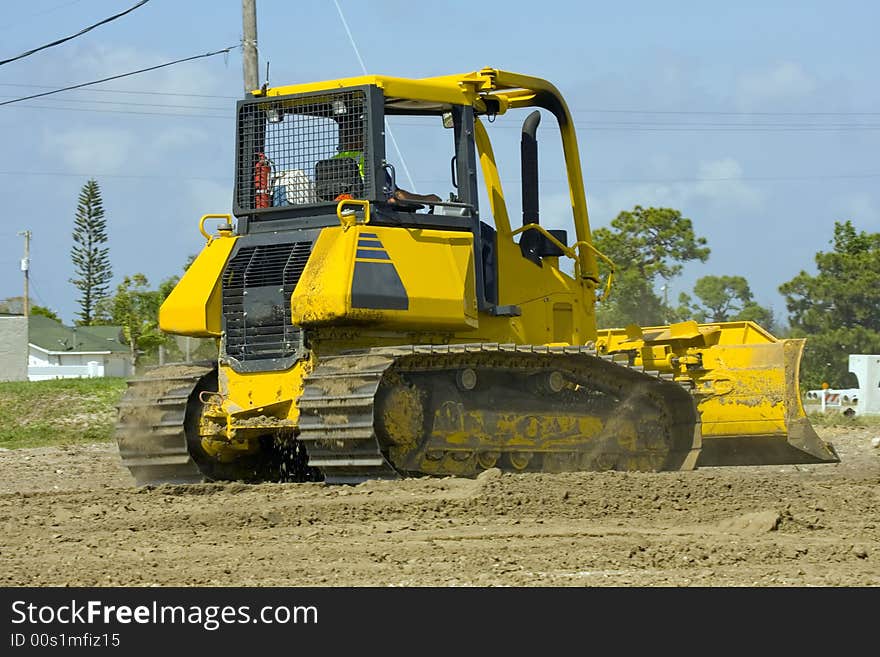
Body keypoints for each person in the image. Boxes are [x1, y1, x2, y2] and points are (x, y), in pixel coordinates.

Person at [333, 114, 441, 207]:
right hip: (369, 212)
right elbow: (397, 195)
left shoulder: (332, 162)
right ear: (361, 137)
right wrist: (425, 199)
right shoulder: (367, 160)